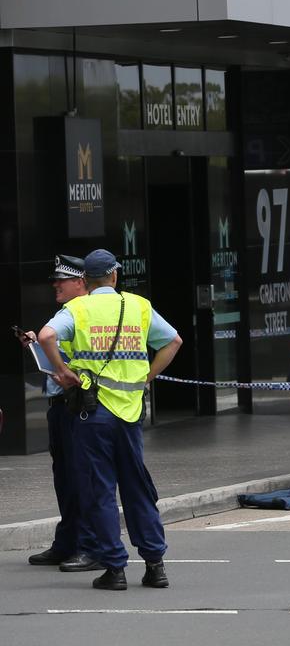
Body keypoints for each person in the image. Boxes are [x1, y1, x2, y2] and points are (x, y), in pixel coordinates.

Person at [37, 249, 182, 591]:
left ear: (85, 280)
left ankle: (115, 569)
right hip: (130, 413)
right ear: (115, 276)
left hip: (93, 412)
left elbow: (45, 336)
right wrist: (147, 376)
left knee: (99, 490)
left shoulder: (78, 308)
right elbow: (174, 341)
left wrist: (61, 371)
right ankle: (155, 565)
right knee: (138, 488)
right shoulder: (138, 306)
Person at [17, 255, 100, 572]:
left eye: (61, 280)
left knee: (83, 478)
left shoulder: (86, 313)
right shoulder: (66, 313)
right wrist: (37, 345)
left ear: (80, 282)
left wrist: (61, 366)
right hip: (60, 406)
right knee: (65, 479)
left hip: (79, 405)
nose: (55, 285)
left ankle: (87, 545)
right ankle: (67, 542)